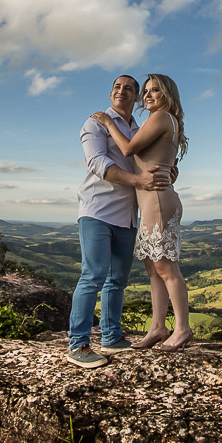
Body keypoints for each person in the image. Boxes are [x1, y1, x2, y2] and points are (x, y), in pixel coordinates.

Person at [67, 75, 172, 369]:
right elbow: (97, 163)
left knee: (118, 280)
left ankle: (111, 336)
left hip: (128, 216)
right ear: (111, 92)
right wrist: (138, 179)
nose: (121, 91)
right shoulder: (95, 123)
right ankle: (78, 343)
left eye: (129, 88)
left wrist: (168, 171)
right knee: (93, 276)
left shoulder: (139, 129)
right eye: (116, 86)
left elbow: (153, 160)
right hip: (96, 211)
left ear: (137, 96)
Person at [90, 73, 191, 352]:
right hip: (150, 202)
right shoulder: (160, 120)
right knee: (152, 267)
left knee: (165, 267)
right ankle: (158, 327)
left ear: (168, 94)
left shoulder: (161, 117)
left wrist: (108, 121)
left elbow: (129, 148)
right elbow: (152, 159)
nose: (148, 95)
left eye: (155, 90)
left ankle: (182, 328)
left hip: (157, 201)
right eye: (145, 91)